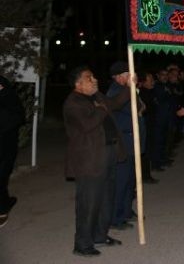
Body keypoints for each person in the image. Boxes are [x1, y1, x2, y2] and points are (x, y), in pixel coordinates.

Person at [63, 66, 127, 256]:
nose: (95, 80)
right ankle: (82, 244)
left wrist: (129, 88)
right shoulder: (73, 102)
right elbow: (87, 124)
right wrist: (100, 111)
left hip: (108, 153)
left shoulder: (97, 96)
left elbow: (114, 103)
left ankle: (100, 235)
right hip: (89, 159)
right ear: (78, 84)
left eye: (94, 76)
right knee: (88, 203)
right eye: (89, 78)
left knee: (106, 199)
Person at [105, 61, 144, 230]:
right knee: (121, 181)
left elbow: (142, 106)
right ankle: (116, 217)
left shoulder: (124, 90)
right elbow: (136, 109)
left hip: (131, 139)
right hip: (124, 141)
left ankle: (126, 211)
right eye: (128, 75)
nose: (132, 77)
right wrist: (132, 90)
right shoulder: (116, 91)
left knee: (130, 180)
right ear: (119, 77)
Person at [0, 75, 25, 228]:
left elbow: (17, 117)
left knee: (0, 178)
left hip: (4, 148)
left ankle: (2, 210)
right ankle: (6, 201)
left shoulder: (8, 98)